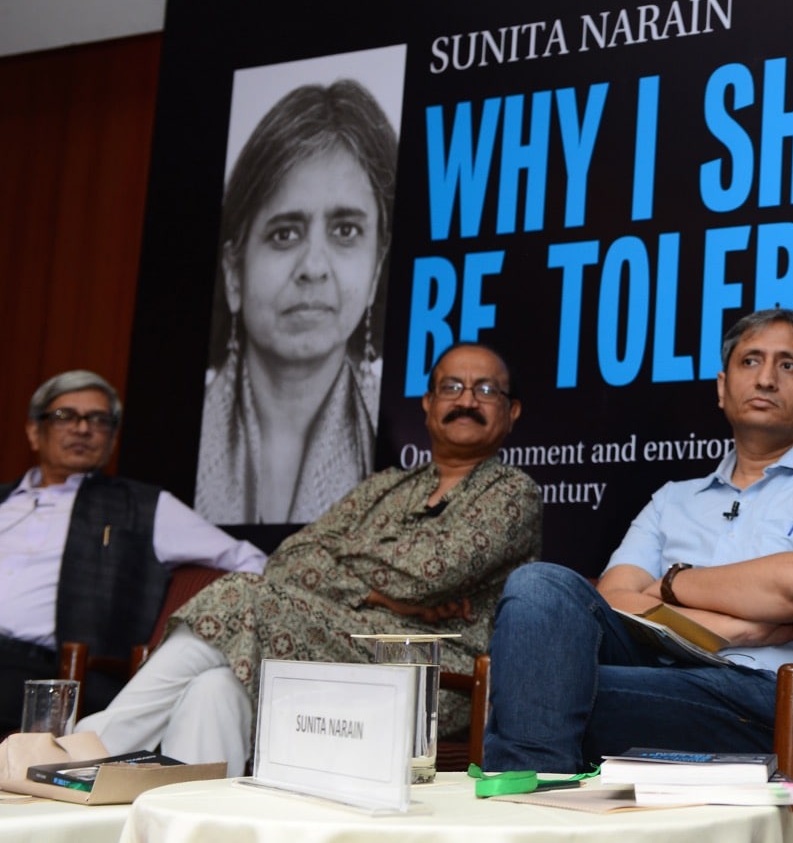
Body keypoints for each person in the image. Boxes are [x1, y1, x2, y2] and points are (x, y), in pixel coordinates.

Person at [79, 343, 542, 775]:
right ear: (428, 403)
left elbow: (426, 574)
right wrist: (381, 595)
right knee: (213, 687)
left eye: (485, 390)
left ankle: (89, 749)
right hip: (336, 650)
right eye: (451, 387)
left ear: (513, 410)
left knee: (243, 595)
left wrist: (367, 577)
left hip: (430, 675)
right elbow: (288, 559)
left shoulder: (511, 493)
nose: (467, 400)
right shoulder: (383, 487)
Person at [482, 308, 793, 772]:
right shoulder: (672, 501)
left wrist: (670, 584)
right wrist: (739, 628)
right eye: (750, 361)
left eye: (788, 365)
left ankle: (519, 812)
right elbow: (613, 600)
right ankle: (533, 806)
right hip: (660, 676)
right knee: (540, 585)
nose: (766, 380)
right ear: (722, 386)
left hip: (772, 702)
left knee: (543, 686)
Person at [0, 370, 266, 733]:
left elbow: (249, 562)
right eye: (65, 416)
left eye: (98, 419)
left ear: (111, 438)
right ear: (34, 431)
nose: (82, 428)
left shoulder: (145, 506)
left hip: (52, 674)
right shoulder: (5, 502)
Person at [195, 78, 398, 524]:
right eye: (285, 233)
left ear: (377, 267)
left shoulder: (413, 453)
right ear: (233, 270)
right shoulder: (177, 439)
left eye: (345, 231)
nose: (313, 267)